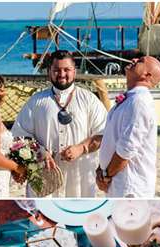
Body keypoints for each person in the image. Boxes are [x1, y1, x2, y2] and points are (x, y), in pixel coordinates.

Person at [11, 50, 108, 197]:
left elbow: (104, 133)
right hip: (44, 177)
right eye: (56, 70)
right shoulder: (36, 101)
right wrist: (40, 151)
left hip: (79, 178)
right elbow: (19, 136)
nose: (62, 74)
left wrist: (81, 148)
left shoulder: (90, 100)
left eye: (66, 70)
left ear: (74, 72)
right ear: (49, 72)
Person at [96, 55, 160, 197]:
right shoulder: (132, 99)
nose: (133, 60)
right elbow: (112, 139)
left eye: (140, 61)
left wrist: (105, 175)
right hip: (118, 183)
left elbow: (126, 149)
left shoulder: (140, 102)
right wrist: (100, 170)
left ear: (147, 75)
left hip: (130, 187)